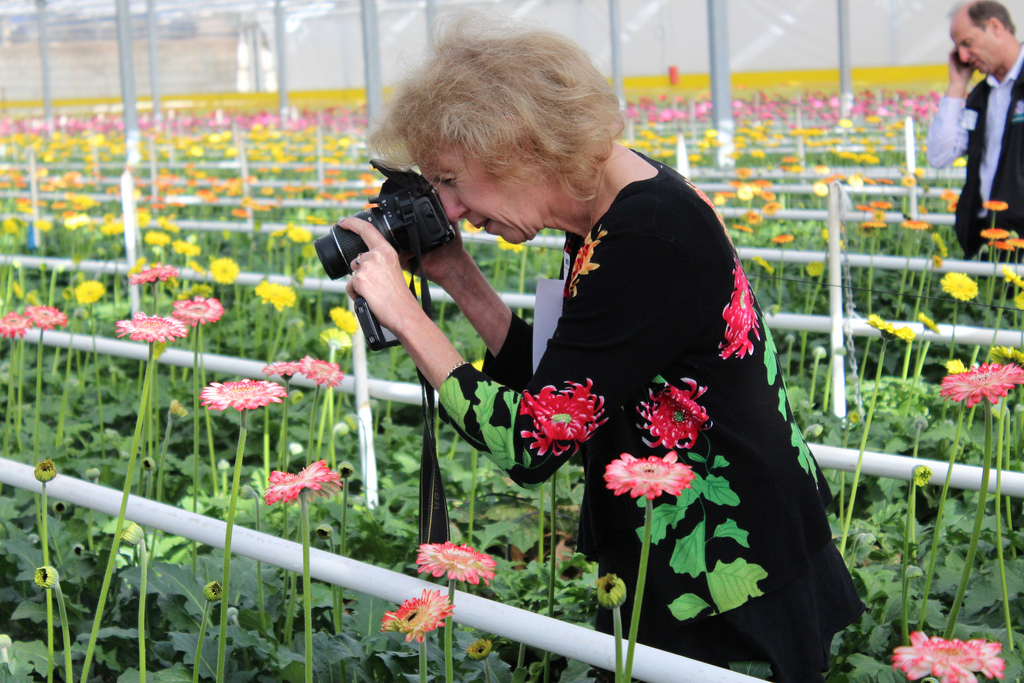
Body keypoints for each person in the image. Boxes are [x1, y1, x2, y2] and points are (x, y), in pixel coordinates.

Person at [341, 14, 863, 681]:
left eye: (449, 179)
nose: (452, 210)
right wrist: (458, 279)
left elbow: (534, 439)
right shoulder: (617, 207)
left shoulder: (647, 236)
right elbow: (573, 381)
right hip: (681, 548)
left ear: (516, 144)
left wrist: (407, 315)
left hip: (723, 576)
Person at [927, 1, 1024, 258]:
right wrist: (957, 86)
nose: (962, 56)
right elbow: (939, 156)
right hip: (986, 236)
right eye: (958, 47)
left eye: (967, 43)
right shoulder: (980, 96)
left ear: (995, 27)